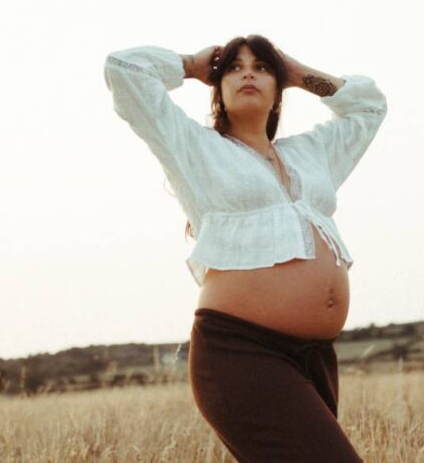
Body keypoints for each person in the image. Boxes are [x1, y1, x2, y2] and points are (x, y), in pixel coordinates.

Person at [103, 34, 388, 462]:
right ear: (217, 89)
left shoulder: (312, 154)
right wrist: (192, 65)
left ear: (278, 90)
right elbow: (124, 70)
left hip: (314, 358)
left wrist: (298, 73)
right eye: (233, 68)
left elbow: (369, 107)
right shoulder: (197, 149)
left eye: (262, 66)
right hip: (241, 352)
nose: (248, 73)